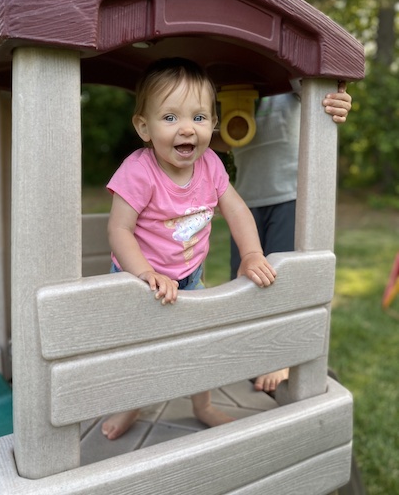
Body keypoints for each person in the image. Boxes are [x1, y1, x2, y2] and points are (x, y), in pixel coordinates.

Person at [102, 57, 276, 440]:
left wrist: (250, 254)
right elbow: (119, 230)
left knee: (203, 340)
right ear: (143, 127)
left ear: (213, 124)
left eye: (199, 118)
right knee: (142, 349)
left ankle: (203, 405)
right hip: (138, 279)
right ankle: (132, 402)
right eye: (170, 118)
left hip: (189, 277)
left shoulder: (211, 164)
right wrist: (145, 274)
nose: (187, 129)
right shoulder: (139, 172)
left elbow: (237, 211)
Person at [212, 84, 352, 393]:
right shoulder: (234, 85)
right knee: (247, 281)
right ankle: (255, 354)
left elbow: (322, 93)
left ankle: (283, 358)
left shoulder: (288, 83)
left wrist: (338, 101)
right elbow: (225, 138)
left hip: (290, 194)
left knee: (282, 277)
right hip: (246, 199)